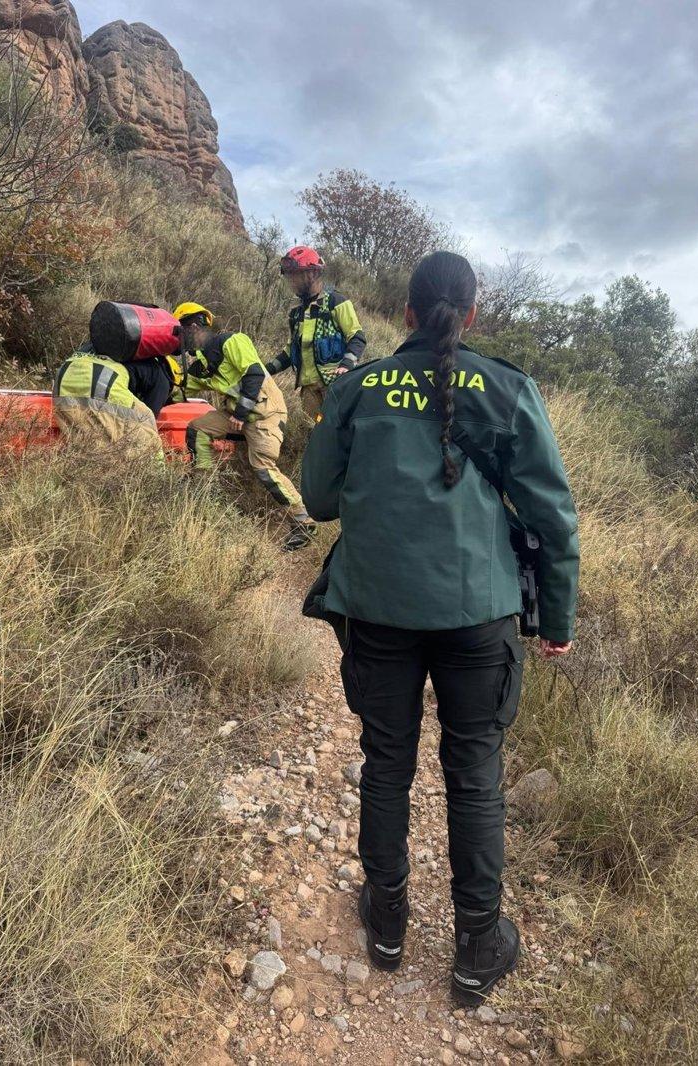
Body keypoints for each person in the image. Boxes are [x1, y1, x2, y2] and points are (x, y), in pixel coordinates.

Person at [301, 251, 579, 1003]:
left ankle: (387, 924)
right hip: (477, 616)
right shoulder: (509, 388)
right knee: (475, 774)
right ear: (473, 314)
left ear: (409, 313)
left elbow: (319, 500)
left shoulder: (357, 389)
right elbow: (554, 518)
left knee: (386, 762)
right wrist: (556, 616)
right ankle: (477, 946)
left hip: (378, 611)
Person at [174, 301, 317, 551]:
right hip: (237, 417)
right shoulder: (202, 363)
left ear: (193, 326)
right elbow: (183, 386)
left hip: (265, 416)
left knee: (262, 467)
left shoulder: (232, 341)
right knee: (197, 428)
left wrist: (240, 412)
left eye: (180, 331)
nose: (180, 339)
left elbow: (253, 374)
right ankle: (203, 487)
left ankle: (304, 522)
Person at [265, 246, 367, 419]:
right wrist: (265, 371)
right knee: (312, 434)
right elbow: (290, 353)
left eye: (295, 275)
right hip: (308, 390)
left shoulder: (336, 302)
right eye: (289, 276)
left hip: (334, 386)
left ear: (311, 273)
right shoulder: (296, 314)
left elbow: (357, 337)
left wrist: (346, 365)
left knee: (336, 434)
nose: (291, 281)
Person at [53, 340, 180, 460]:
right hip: (101, 383)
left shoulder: (117, 348)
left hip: (65, 378)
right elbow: (148, 417)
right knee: (148, 442)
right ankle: (156, 479)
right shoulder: (163, 379)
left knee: (87, 442)